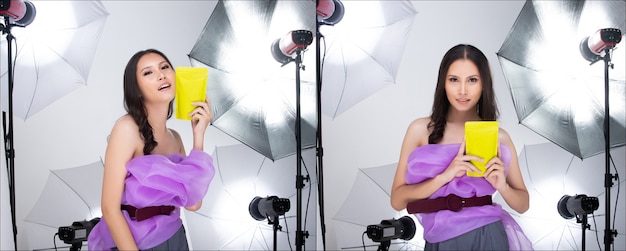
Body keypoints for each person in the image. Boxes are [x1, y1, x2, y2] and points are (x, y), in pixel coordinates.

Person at [390, 44, 533, 250]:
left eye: (472, 80)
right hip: (440, 239)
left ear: (484, 84)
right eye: (454, 80)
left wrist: (503, 186)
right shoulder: (420, 130)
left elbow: (523, 204)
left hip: (489, 235)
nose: (463, 90)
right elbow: (397, 200)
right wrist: (444, 177)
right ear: (443, 83)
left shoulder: (498, 137)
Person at [87, 49, 215, 250]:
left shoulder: (175, 137)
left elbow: (192, 204)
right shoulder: (126, 129)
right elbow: (109, 209)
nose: (161, 75)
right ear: (136, 89)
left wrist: (198, 135)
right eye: (148, 72)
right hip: (135, 243)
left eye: (165, 67)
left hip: (175, 237)